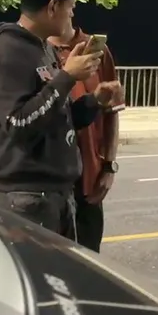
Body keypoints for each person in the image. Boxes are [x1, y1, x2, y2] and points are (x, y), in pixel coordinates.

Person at [0, 0, 124, 237]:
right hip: (28, 200)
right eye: (71, 6)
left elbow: (56, 116)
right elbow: (17, 126)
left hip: (56, 195)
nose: (72, 13)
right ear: (53, 6)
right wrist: (67, 77)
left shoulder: (42, 48)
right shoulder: (8, 51)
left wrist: (94, 101)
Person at [49, 19, 120, 252]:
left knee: (87, 258)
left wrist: (109, 166)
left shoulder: (97, 51)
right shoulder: (37, 50)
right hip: (50, 184)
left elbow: (112, 111)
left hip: (88, 179)